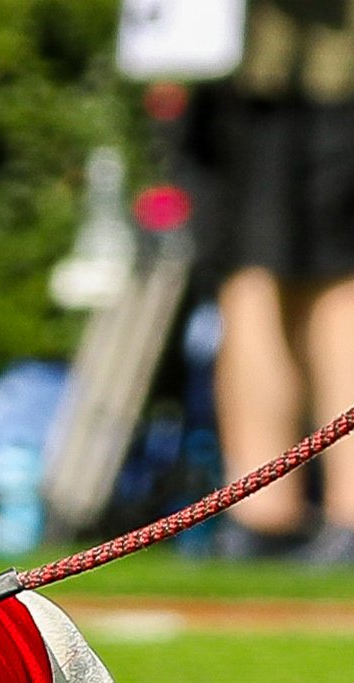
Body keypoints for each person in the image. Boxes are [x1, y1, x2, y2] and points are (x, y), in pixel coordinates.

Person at [180, 0, 354, 563]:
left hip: (324, 70)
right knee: (251, 284)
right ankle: (262, 510)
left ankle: (331, 513)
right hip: (244, 72)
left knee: (334, 290)